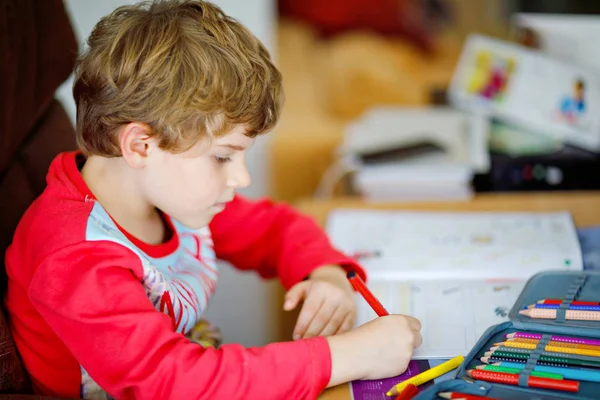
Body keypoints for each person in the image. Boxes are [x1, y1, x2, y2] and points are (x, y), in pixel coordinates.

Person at [4, 1, 422, 399]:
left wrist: (326, 274)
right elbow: (175, 382)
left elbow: (274, 228)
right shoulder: (74, 258)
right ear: (141, 146)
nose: (241, 178)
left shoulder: (164, 192)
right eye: (222, 157)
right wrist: (349, 356)